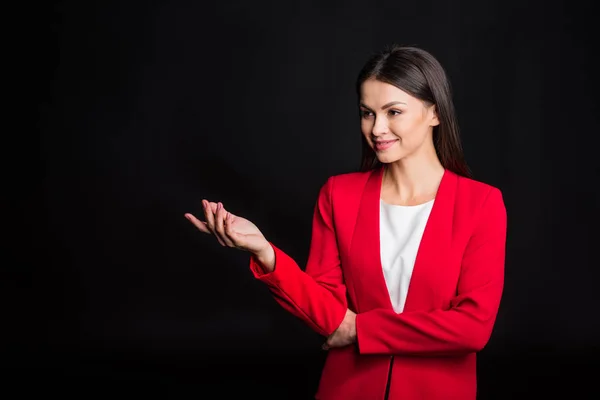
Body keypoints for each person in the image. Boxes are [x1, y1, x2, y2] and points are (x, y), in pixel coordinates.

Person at [184, 45, 507, 400]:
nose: (377, 128)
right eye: (367, 113)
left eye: (393, 111)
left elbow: (473, 328)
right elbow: (328, 316)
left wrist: (360, 328)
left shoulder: (481, 203)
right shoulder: (339, 195)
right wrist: (265, 252)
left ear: (434, 112)